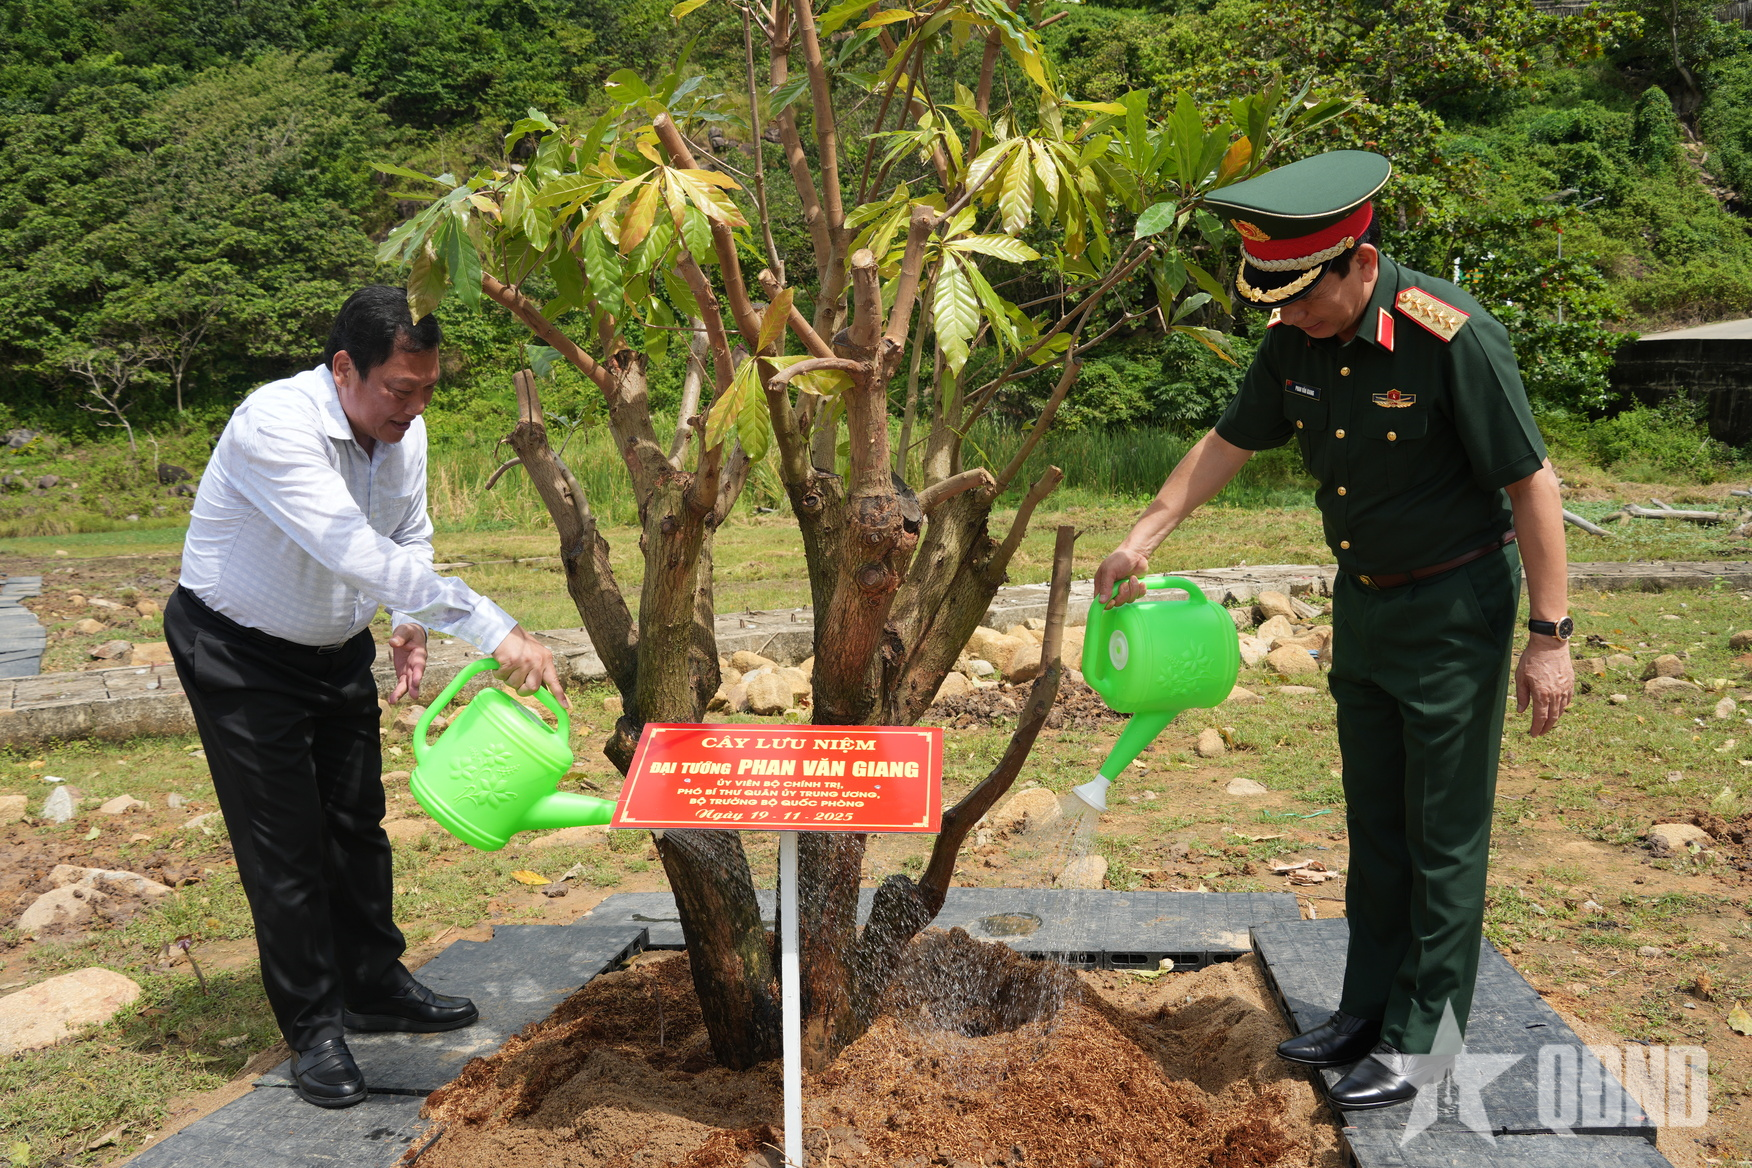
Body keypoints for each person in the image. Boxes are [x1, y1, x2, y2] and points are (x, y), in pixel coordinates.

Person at [1092, 150, 1575, 1111]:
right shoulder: (1296, 341)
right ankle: (1366, 1013)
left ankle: (1426, 1045)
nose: (1289, 315)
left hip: (1453, 612)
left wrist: (1551, 634)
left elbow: (1532, 481)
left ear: (1361, 260)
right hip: (1365, 607)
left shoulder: (1451, 338)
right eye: (1277, 297)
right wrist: (1145, 532)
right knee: (1377, 824)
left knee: (1443, 836)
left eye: (1305, 295)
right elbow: (1229, 440)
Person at [165, 285, 568, 1110]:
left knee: (356, 818)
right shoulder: (274, 426)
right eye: (400, 390)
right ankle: (313, 1026)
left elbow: (405, 534)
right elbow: (351, 547)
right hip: (238, 651)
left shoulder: (399, 434)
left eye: (428, 391)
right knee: (285, 844)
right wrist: (489, 628)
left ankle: (373, 982)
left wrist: (412, 622)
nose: (416, 409)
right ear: (345, 367)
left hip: (331, 646)